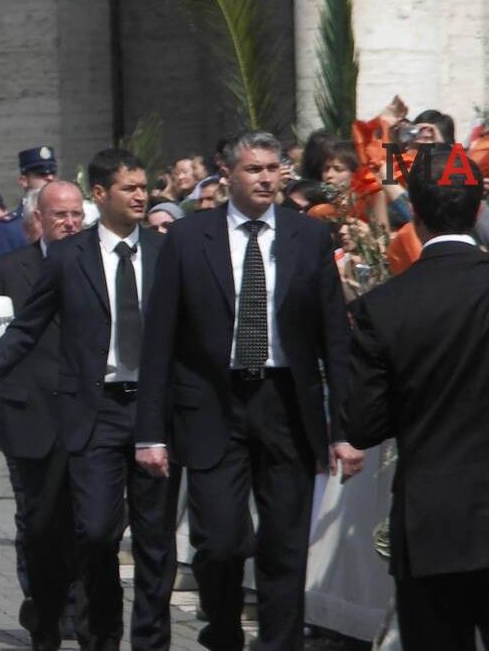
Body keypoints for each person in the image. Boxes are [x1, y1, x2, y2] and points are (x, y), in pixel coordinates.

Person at [136, 131, 363, 651]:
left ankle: (280, 644)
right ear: (228, 175)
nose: (266, 178)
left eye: (272, 169)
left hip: (286, 403)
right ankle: (223, 627)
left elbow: (334, 336)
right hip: (214, 404)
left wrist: (345, 429)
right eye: (253, 169)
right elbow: (159, 341)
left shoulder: (307, 237)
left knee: (284, 546)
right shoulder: (189, 240)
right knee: (219, 542)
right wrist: (150, 431)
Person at [0, 151, 179, 651]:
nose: (140, 196)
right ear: (100, 194)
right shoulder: (70, 258)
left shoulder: (167, 251)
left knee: (156, 541)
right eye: (128, 188)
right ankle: (102, 634)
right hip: (95, 414)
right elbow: (24, 331)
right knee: (95, 533)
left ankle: (151, 640)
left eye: (143, 187)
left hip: (155, 410)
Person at [344, 152, 489, 649]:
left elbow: (362, 424)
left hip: (432, 525)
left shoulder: (382, 308)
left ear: (417, 218)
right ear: (477, 210)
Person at [0, 182, 87, 649]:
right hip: (29, 413)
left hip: (84, 416)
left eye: (77, 215)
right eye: (60, 215)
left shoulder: (97, 264)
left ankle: (79, 612)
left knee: (87, 521)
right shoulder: (7, 269)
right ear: (37, 218)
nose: (70, 224)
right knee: (38, 523)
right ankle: (44, 608)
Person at [0, 146, 59, 294]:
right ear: (24, 181)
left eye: (53, 173)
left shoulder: (69, 222)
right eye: (40, 174)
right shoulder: (9, 228)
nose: (49, 178)